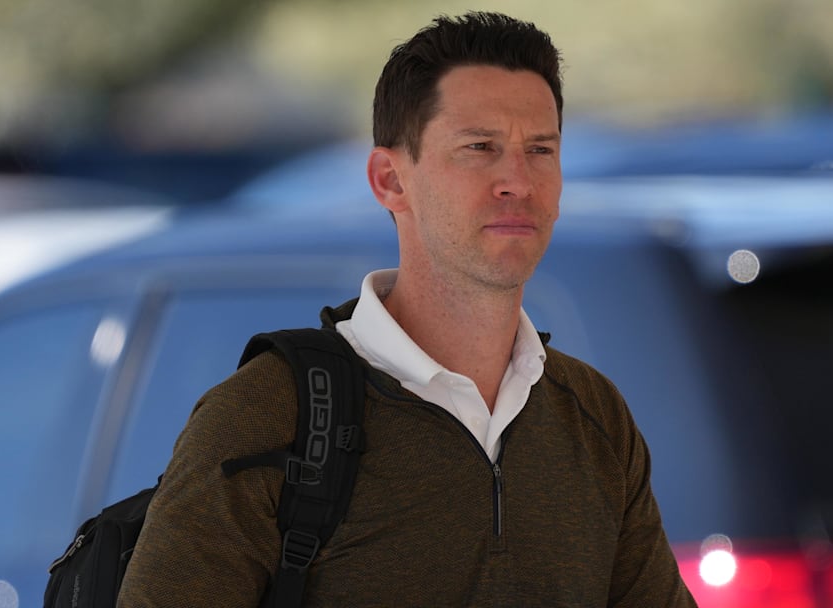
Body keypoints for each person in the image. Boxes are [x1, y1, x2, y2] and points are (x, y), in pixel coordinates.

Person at [118, 11, 696, 607]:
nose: (518, 181)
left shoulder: (595, 416)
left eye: (540, 150)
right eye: (480, 147)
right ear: (390, 180)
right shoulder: (267, 415)